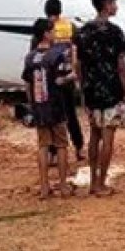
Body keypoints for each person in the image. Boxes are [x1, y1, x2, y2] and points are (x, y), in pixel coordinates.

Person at [76, 0, 125, 197]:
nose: (115, 7)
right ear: (107, 4)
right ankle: (101, 182)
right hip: (111, 90)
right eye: (114, 3)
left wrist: (83, 86)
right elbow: (121, 65)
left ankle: (92, 182)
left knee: (94, 135)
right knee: (108, 136)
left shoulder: (82, 33)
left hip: (91, 90)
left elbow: (78, 64)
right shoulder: (115, 32)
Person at [22, 19, 74, 199]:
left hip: (39, 106)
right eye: (52, 31)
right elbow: (63, 78)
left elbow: (27, 85)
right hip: (55, 105)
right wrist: (73, 75)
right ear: (46, 33)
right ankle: (63, 185)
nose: (54, 35)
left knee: (43, 145)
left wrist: (33, 105)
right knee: (61, 145)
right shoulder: (56, 55)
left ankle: (44, 187)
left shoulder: (30, 57)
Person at [44, 0, 84, 162]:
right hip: (68, 76)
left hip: (51, 79)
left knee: (53, 117)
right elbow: (78, 51)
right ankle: (79, 148)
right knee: (71, 115)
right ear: (60, 10)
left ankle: (53, 153)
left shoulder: (44, 29)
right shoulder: (70, 27)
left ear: (46, 11)